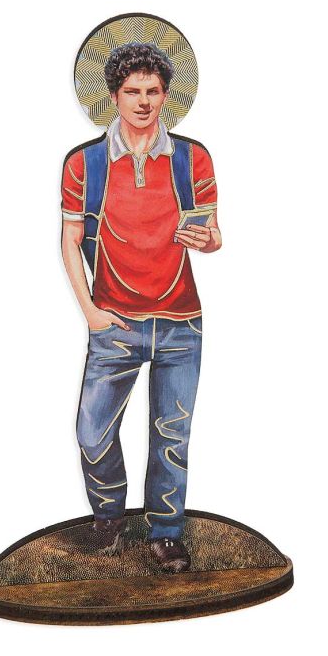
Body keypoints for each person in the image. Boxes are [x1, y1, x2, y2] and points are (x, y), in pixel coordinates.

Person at [61, 42, 222, 573]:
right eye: (133, 91)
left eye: (153, 91)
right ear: (113, 95)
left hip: (180, 321)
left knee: (172, 434)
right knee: (92, 433)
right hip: (114, 322)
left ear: (167, 95)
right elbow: (70, 240)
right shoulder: (84, 163)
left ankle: (166, 532)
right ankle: (109, 516)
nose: (144, 101)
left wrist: (206, 239)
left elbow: (213, 233)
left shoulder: (191, 158)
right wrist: (90, 311)